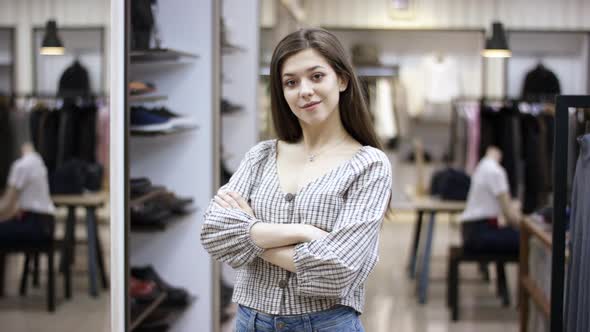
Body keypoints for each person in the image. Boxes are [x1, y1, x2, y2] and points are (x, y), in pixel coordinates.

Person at [200, 28, 392, 332]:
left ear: (341, 80)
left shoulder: (369, 165)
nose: (304, 90)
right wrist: (302, 231)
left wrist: (250, 234)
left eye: (316, 76)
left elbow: (338, 269)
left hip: (327, 324)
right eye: (291, 82)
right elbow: (214, 233)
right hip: (250, 322)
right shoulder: (260, 156)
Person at [460, 146, 522, 254]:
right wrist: (528, 225)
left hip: (469, 232)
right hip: (480, 234)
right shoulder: (496, 172)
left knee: (513, 235)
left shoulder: (482, 166)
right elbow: (510, 216)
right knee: (530, 242)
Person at [0, 143, 55, 245]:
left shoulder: (21, 165)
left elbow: (6, 205)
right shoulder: (37, 160)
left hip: (32, 225)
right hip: (47, 225)